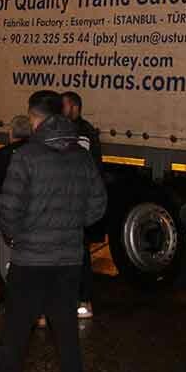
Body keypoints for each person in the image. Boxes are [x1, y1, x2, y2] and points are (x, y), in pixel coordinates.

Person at [0, 96, 107, 372]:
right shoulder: (81, 156)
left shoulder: (27, 155)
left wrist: (15, 236)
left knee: (18, 325)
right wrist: (71, 225)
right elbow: (98, 206)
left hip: (31, 258)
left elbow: (10, 207)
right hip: (69, 259)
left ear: (34, 119)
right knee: (66, 330)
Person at [62, 91, 104, 319]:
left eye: (65, 106)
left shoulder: (81, 134)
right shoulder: (84, 132)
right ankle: (78, 298)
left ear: (75, 108)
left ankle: (82, 298)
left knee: (77, 252)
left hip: (74, 201)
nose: (61, 109)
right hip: (77, 200)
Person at [0, 115, 31, 283]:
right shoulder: (40, 154)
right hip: (33, 222)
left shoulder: (3, 155)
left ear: (11, 133)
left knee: (9, 266)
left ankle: (15, 302)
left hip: (9, 222)